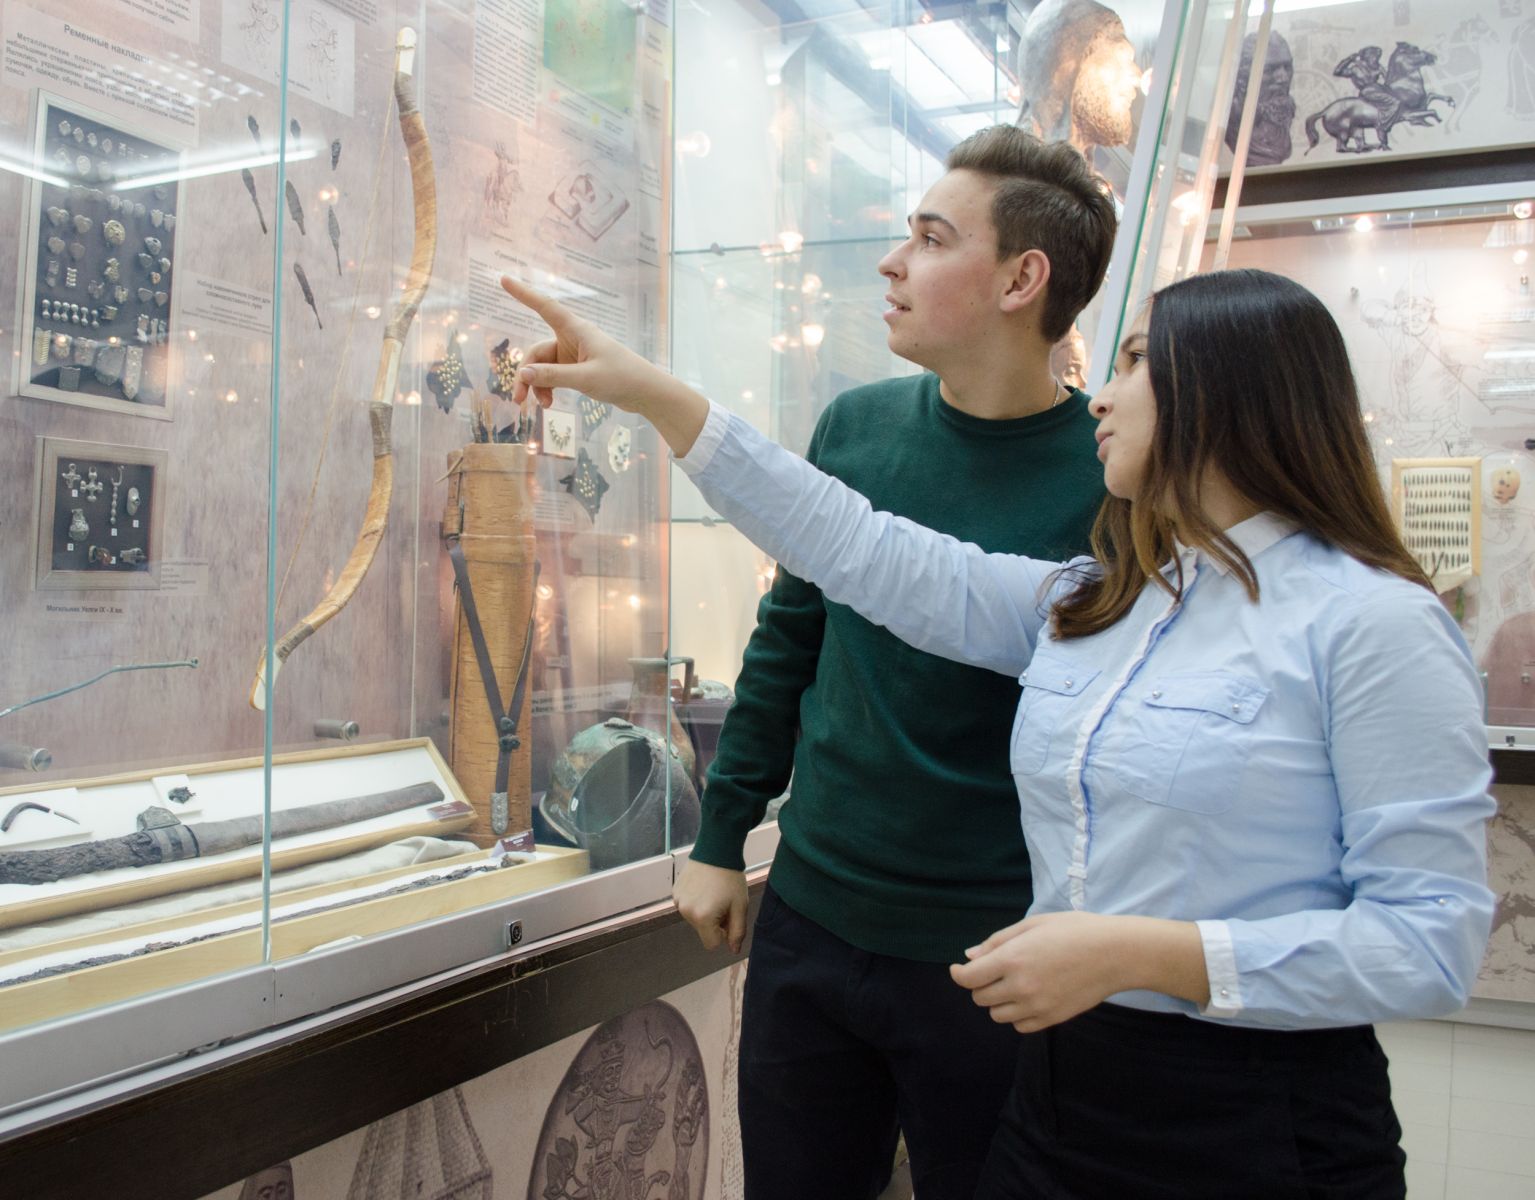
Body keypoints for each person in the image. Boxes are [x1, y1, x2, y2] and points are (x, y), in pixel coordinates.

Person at [501, 265, 1496, 1199]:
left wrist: (1136, 955)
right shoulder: (1095, 603)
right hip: (1060, 1094)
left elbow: (1427, 944)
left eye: (1135, 363)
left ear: (1230, 390)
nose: (1099, 398)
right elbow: (859, 547)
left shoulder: (1370, 624)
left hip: (1258, 1117)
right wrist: (655, 397)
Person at [684, 126, 1113, 1200]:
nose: (890, 262)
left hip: (994, 948)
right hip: (812, 913)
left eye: (929, 238)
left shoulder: (1110, 476)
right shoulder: (856, 427)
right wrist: (722, 833)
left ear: (1020, 279)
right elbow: (789, 638)